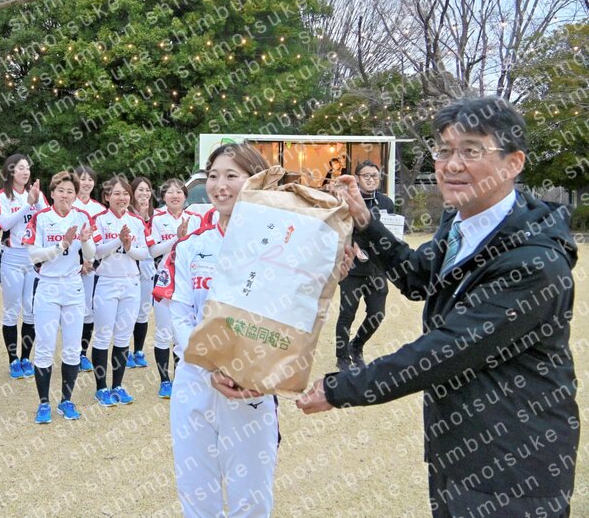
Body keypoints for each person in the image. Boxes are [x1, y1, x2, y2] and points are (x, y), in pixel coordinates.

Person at [297, 98, 579, 518]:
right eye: (444, 151)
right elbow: (416, 276)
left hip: (514, 465)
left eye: (471, 150)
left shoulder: (534, 262)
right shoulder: (462, 223)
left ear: (513, 163)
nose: (452, 165)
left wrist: (341, 388)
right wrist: (365, 221)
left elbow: (447, 350)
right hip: (457, 448)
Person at [156, 143, 279, 517]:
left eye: (231, 176)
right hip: (195, 381)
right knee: (197, 495)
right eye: (213, 176)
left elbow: (288, 318)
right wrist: (210, 363)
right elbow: (179, 314)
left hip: (249, 386)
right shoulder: (192, 245)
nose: (219, 185)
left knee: (251, 498)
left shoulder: (278, 243)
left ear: (254, 180)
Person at [23, 171, 95, 423]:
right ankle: (44, 403)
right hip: (48, 287)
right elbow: (33, 255)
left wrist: (84, 241)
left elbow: (91, 254)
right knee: (45, 347)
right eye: (61, 191)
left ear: (76, 195)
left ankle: (66, 400)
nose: (65, 195)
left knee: (73, 349)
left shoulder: (82, 217)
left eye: (70, 192)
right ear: (52, 193)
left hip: (73, 286)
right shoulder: (41, 218)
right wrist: (62, 245)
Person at [90, 175, 150, 407]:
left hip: (131, 283)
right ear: (107, 197)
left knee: (123, 336)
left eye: (125, 193)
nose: (122, 198)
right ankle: (101, 388)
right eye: (116, 193)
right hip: (106, 281)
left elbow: (143, 253)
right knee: (103, 335)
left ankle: (117, 385)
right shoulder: (99, 219)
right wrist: (118, 240)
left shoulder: (136, 221)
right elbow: (97, 251)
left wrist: (128, 246)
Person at [0, 154, 47, 380]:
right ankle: (13, 359)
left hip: (32, 258)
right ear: (11, 171)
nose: (25, 172)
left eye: (28, 168)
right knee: (12, 309)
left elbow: (46, 219)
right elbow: (3, 224)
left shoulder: (36, 193)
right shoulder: (1, 196)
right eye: (20, 168)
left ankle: (25, 357)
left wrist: (36, 201)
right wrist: (27, 205)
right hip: (12, 257)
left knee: (31, 308)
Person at [334, 161, 395, 370]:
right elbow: (339, 230)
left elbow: (392, 232)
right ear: (357, 178)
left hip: (377, 268)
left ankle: (356, 347)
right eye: (366, 176)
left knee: (377, 314)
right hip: (353, 268)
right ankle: (342, 357)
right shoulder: (346, 201)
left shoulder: (386, 202)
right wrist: (354, 246)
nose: (371, 179)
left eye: (375, 176)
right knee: (347, 314)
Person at [148, 179, 202, 399]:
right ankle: (164, 380)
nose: (174, 196)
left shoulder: (195, 219)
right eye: (169, 192)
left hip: (187, 281)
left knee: (184, 333)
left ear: (185, 196)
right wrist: (177, 240)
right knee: (163, 331)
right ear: (163, 197)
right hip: (165, 278)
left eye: (179, 192)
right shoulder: (157, 218)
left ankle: (182, 377)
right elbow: (153, 251)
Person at [73, 165, 105, 373]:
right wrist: (80, 262)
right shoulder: (68, 203)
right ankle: (72, 352)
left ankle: (82, 353)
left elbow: (101, 241)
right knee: (73, 311)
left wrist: (90, 261)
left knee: (89, 312)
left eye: (90, 179)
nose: (86, 183)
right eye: (82, 178)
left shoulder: (99, 209)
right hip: (71, 268)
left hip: (92, 268)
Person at [127, 176, 156, 370]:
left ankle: (138, 350)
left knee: (143, 311)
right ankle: (125, 350)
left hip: (147, 266)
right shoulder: (126, 213)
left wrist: (147, 217)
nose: (144, 194)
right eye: (140, 190)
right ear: (132, 192)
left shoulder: (155, 215)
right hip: (128, 267)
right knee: (127, 310)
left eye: (147, 190)